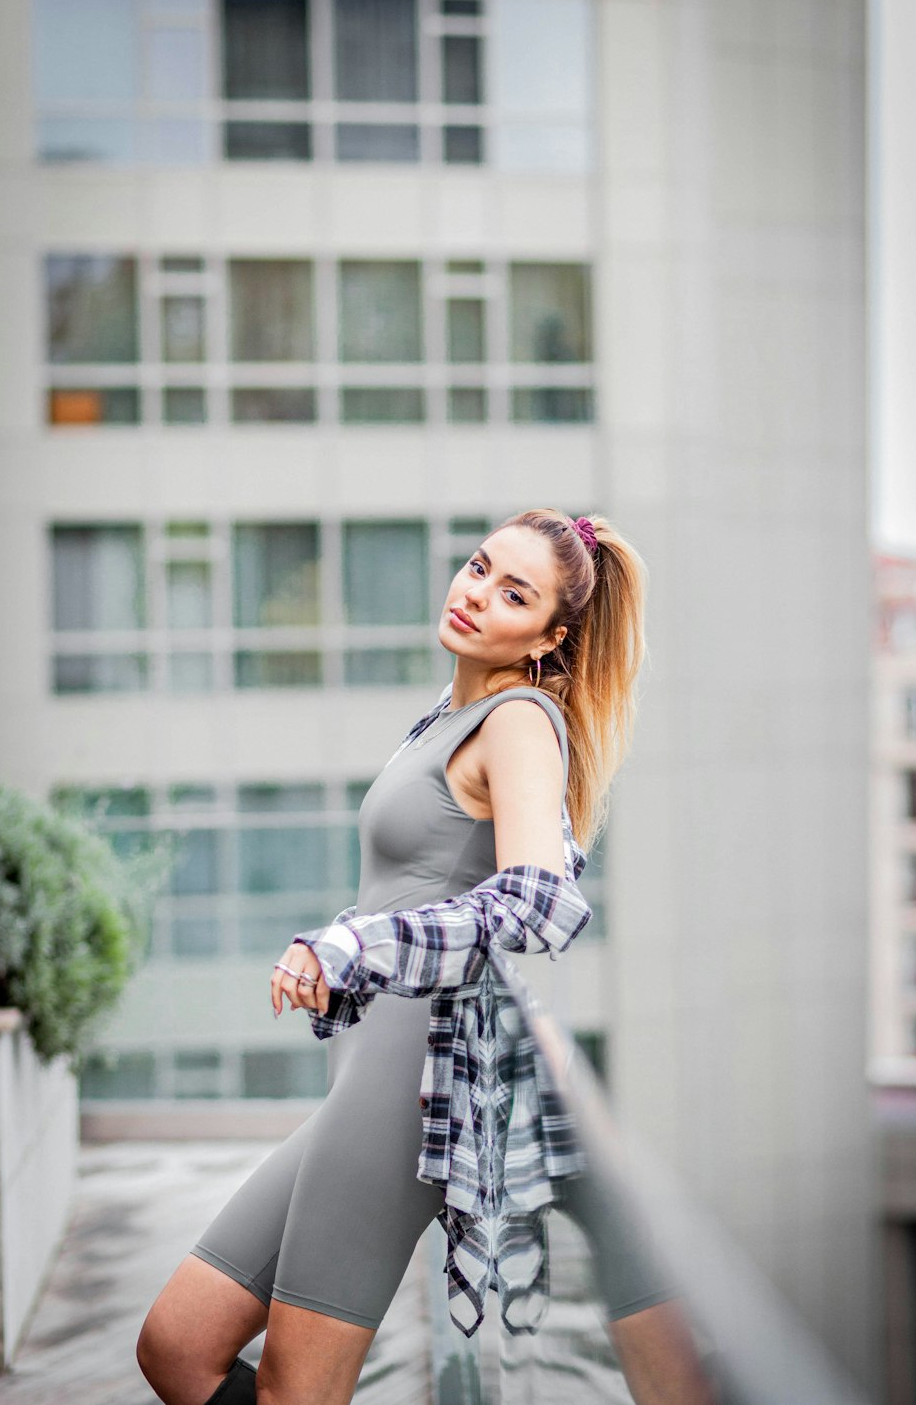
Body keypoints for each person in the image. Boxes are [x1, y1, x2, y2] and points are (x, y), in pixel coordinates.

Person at [137, 508, 712, 1405]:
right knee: (176, 1346)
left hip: (411, 1083)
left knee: (297, 1388)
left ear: (548, 637)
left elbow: (537, 896)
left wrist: (355, 942)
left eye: (512, 593)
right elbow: (415, 890)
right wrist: (341, 936)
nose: (477, 594)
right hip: (365, 1075)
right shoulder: (449, 716)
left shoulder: (520, 718)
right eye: (480, 568)